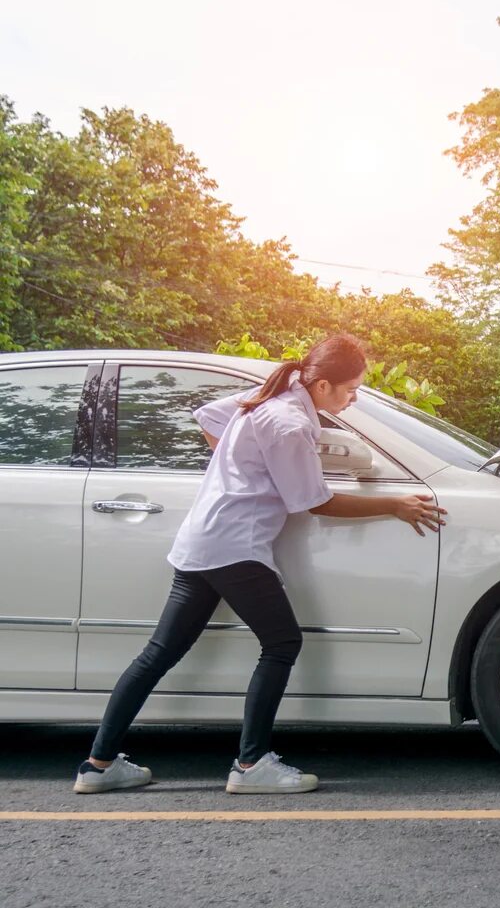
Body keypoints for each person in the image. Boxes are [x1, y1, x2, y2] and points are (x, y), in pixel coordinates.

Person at [74, 335, 447, 795]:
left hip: (201, 540)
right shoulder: (288, 422)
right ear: (324, 384)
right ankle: (251, 765)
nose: (353, 400)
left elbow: (208, 417)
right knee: (282, 642)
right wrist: (393, 505)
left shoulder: (277, 390)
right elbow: (315, 502)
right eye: (351, 389)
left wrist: (240, 468)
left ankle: (97, 765)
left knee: (160, 653)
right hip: (235, 545)